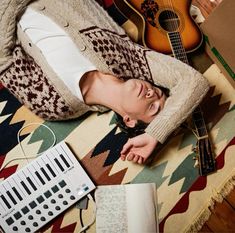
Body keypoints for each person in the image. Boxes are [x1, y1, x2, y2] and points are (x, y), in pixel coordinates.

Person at [0, 0, 209, 164]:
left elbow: (2, 60)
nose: (152, 93)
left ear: (129, 120)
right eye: (159, 93)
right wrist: (156, 134)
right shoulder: (131, 60)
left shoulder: (55, 107)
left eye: (153, 108)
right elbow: (193, 81)